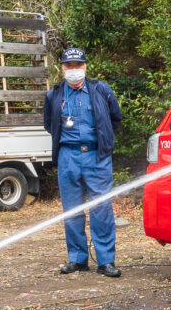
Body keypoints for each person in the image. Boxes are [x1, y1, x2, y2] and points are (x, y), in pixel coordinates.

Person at [42, 47, 122, 278]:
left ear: (85, 67)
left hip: (97, 157)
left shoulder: (100, 90)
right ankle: (77, 259)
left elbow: (115, 118)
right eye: (69, 66)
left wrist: (103, 141)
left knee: (101, 209)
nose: (74, 70)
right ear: (62, 69)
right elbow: (49, 124)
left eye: (78, 65)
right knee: (72, 210)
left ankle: (105, 261)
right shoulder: (54, 95)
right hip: (68, 157)